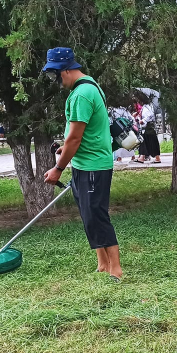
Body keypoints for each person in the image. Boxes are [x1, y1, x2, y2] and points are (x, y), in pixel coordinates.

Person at [40, 47, 123, 281]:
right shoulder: (88, 86)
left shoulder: (81, 94)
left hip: (93, 165)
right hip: (84, 162)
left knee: (96, 214)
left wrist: (58, 168)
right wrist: (65, 150)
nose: (54, 80)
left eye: (54, 74)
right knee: (88, 214)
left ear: (66, 70)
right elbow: (78, 136)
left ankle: (115, 269)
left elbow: (75, 138)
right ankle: (102, 263)